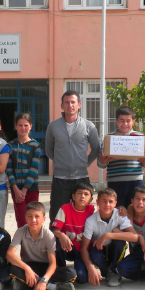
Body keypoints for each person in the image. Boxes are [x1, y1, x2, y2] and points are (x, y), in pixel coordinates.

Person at [45, 90, 101, 224]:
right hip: (60, 178)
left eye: (73, 102)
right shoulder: (53, 126)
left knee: (84, 214)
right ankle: (58, 243)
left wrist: (84, 163)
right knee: (57, 214)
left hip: (81, 177)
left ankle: (82, 242)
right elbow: (49, 150)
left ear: (79, 105)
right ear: (61, 105)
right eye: (67, 102)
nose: (70, 105)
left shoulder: (89, 126)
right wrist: (60, 162)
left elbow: (96, 149)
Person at [6, 202, 76, 290]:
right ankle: (54, 287)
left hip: (46, 268)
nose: (33, 220)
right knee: (11, 269)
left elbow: (53, 264)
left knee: (71, 273)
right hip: (30, 267)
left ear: (44, 219)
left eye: (37, 216)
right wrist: (27, 268)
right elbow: (9, 254)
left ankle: (28, 284)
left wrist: (44, 280)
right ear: (25, 218)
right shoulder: (21, 231)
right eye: (29, 216)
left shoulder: (49, 235)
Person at [80, 188, 139, 287]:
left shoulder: (120, 215)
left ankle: (115, 271)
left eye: (110, 202)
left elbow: (134, 237)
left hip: (114, 249)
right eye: (104, 201)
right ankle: (107, 272)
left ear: (115, 203)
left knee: (120, 243)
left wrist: (108, 235)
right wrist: (90, 267)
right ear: (97, 202)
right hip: (100, 248)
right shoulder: (91, 220)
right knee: (94, 252)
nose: (107, 205)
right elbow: (84, 247)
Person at [97, 105, 145, 209]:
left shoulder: (140, 138)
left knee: (136, 211)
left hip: (135, 182)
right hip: (115, 182)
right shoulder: (108, 138)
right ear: (116, 120)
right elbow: (100, 164)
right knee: (117, 212)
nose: (125, 124)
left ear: (133, 121)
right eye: (122, 120)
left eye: (128, 120)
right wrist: (102, 160)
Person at [51, 182, 95, 284]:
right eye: (79, 193)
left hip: (83, 250)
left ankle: (83, 268)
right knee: (57, 243)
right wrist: (62, 235)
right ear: (73, 196)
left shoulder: (93, 210)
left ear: (91, 199)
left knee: (81, 279)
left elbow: (109, 212)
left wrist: (122, 210)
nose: (82, 196)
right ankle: (60, 270)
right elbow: (55, 230)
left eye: (86, 194)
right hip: (67, 247)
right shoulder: (65, 208)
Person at [7, 113, 41, 228]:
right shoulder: (10, 145)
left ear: (31, 126)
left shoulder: (35, 145)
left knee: (33, 219)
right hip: (16, 189)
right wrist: (16, 189)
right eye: (20, 125)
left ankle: (34, 245)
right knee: (22, 220)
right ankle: (22, 244)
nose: (23, 128)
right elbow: (9, 168)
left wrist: (25, 189)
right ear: (16, 126)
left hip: (31, 189)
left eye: (26, 125)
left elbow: (34, 168)